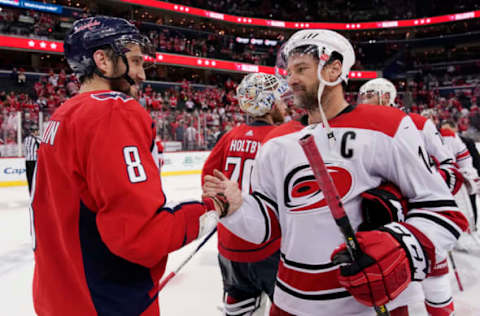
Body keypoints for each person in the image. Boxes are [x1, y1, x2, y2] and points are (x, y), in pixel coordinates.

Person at [204, 29, 468, 316]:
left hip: (370, 305)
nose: (290, 79)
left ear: (334, 68)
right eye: (289, 71)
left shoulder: (389, 126)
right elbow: (267, 227)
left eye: (301, 69)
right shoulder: (277, 141)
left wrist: (401, 245)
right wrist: (237, 211)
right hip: (291, 302)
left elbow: (444, 212)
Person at [30, 16, 227, 316]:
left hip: (58, 298)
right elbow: (140, 235)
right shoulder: (112, 112)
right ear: (103, 60)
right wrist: (214, 206)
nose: (141, 73)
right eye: (134, 61)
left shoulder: (63, 114)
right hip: (106, 302)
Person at [359, 78, 460, 316]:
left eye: (370, 94)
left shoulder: (417, 123)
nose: (364, 99)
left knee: (435, 280)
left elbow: (449, 167)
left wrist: (425, 188)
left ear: (386, 95)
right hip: (382, 218)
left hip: (419, 214)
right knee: (390, 283)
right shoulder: (359, 126)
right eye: (362, 95)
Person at [202, 73, 287, 316]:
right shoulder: (281, 137)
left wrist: (225, 213)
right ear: (268, 103)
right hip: (270, 246)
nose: (284, 104)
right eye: (279, 99)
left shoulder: (231, 135)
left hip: (230, 246)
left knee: (240, 308)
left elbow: (208, 179)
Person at [23, 126, 40, 193]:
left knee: (29, 177)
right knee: (34, 178)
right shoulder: (37, 139)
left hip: (27, 160)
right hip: (34, 161)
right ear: (34, 131)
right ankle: (35, 192)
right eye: (37, 131)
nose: (38, 132)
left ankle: (31, 192)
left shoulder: (26, 139)